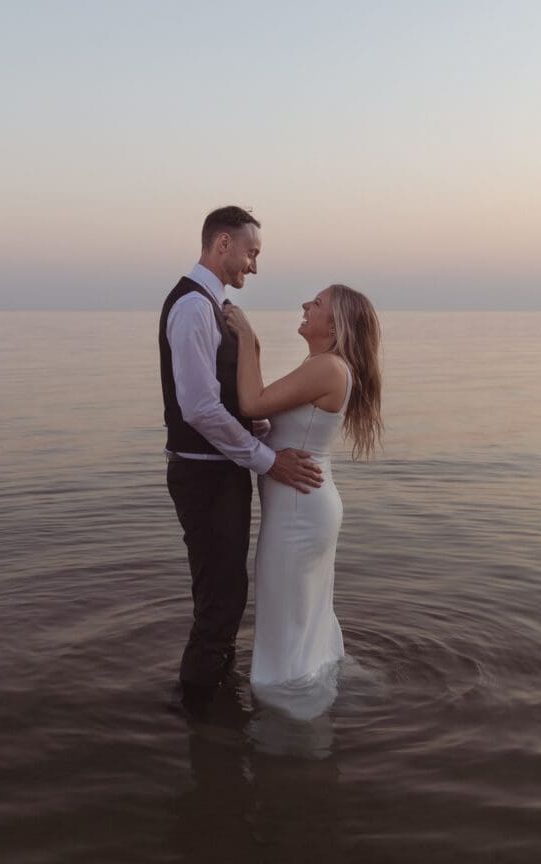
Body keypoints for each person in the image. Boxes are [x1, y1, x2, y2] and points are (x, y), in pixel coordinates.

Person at [159, 206, 323, 710]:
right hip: (203, 475)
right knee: (220, 599)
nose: (254, 265)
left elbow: (226, 400)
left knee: (227, 592)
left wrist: (264, 435)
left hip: (219, 472)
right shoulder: (193, 307)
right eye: (251, 253)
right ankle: (200, 714)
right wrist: (267, 460)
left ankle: (215, 704)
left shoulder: (216, 306)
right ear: (223, 244)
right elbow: (199, 407)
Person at [224, 284, 383, 718]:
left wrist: (247, 338)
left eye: (317, 303)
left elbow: (251, 402)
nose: (305, 305)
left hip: (299, 511)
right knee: (301, 612)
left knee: (287, 615)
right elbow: (273, 420)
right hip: (303, 506)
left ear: (334, 325)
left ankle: (292, 713)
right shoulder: (321, 365)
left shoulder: (328, 367)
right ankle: (310, 692)